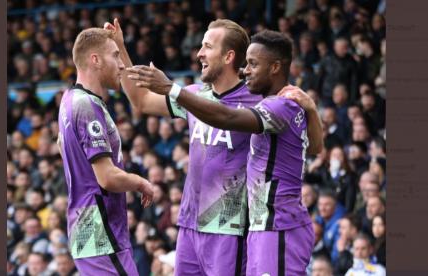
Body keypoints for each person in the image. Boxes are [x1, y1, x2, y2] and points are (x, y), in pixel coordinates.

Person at [127, 29, 324, 275]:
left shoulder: (279, 105)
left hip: (277, 224)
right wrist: (312, 110)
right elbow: (315, 146)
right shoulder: (279, 102)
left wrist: (172, 88)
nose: (245, 70)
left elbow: (227, 117)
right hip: (259, 225)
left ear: (274, 67)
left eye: (252, 64)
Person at [57, 27, 154, 276]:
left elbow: (61, 145)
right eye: (115, 56)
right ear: (95, 60)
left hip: (88, 228)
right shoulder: (87, 107)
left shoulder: (69, 100)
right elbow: (108, 177)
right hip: (101, 232)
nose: (121, 64)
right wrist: (141, 182)